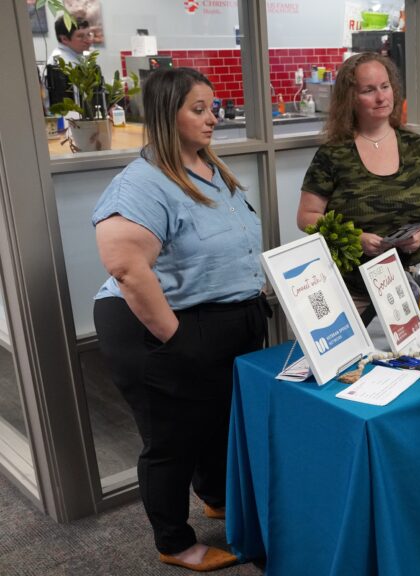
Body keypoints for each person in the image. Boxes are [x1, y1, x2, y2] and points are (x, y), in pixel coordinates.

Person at [92, 68, 267, 572]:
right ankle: (174, 542)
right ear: (169, 115)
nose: (214, 117)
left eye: (213, 107)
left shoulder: (208, 166)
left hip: (215, 321)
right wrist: (178, 340)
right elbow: (124, 265)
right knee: (171, 439)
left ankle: (215, 495)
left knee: (215, 423)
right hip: (158, 326)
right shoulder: (143, 183)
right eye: (199, 108)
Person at [296, 53, 420, 315]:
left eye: (385, 86)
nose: (381, 97)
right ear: (350, 98)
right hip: (357, 295)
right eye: (369, 90)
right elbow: (306, 217)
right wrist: (355, 239)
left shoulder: (416, 147)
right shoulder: (334, 154)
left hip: (419, 288)